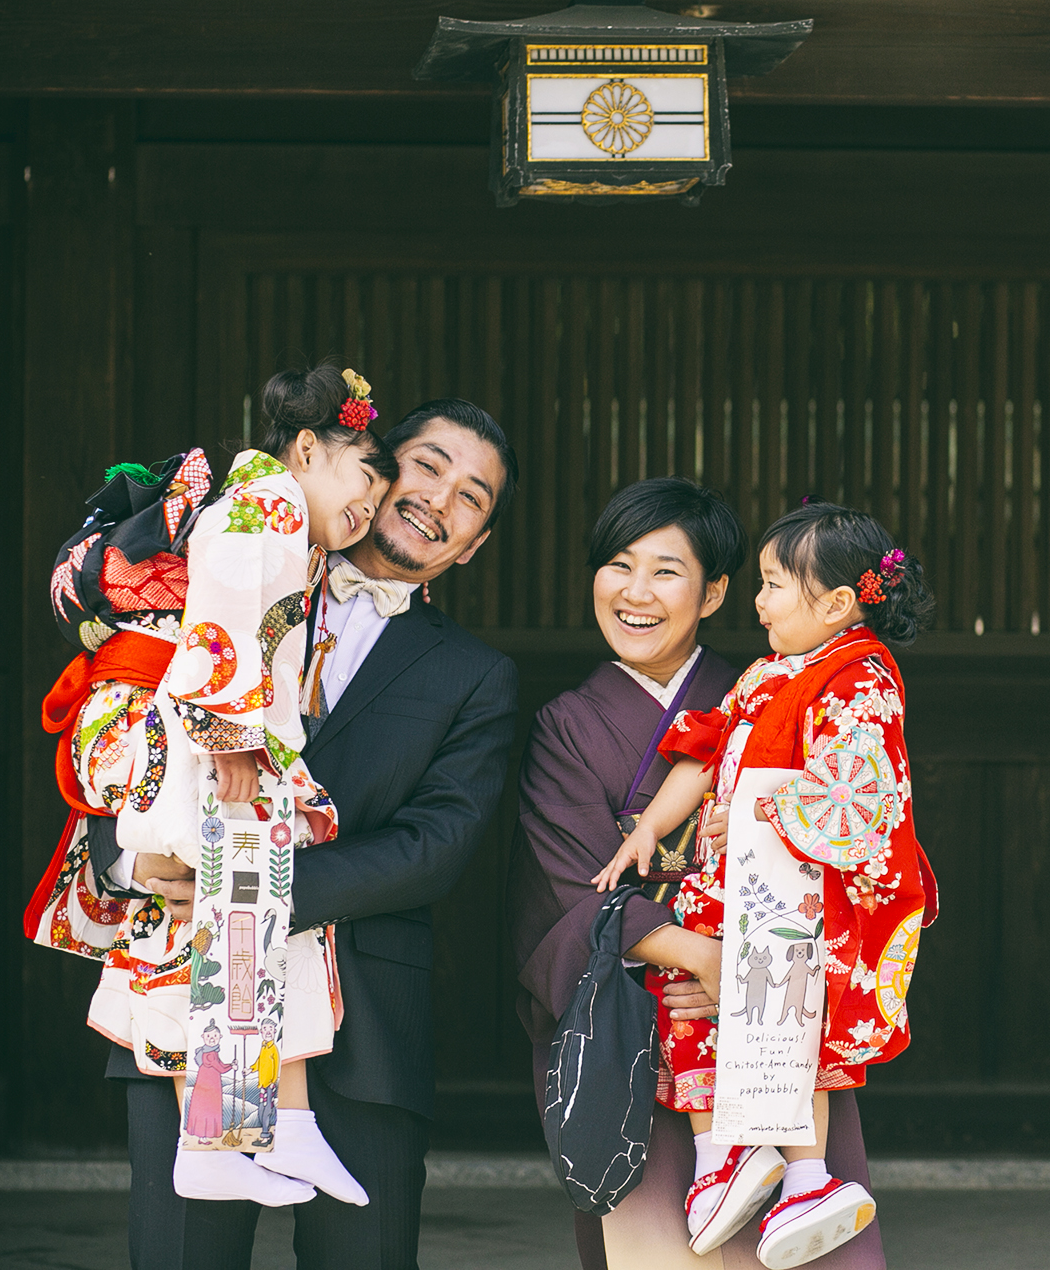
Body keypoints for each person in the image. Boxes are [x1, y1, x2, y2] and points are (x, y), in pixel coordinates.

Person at [89, 397, 521, 1270]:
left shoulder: (478, 675)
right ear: (373, 465)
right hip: (190, 989)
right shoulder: (225, 564)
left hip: (367, 1027)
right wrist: (138, 857)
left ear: (474, 544)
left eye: (471, 496)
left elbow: (436, 845)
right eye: (428, 465)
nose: (440, 496)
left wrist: (251, 883)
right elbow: (139, 717)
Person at [509, 478, 887, 1269]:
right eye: (618, 564)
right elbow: (571, 888)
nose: (635, 592)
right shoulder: (569, 726)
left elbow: (859, 832)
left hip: (776, 1016)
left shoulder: (778, 692)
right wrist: (704, 957)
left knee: (802, 1230)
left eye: (666, 570)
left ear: (718, 591)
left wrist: (755, 965)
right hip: (639, 1035)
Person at [52, 364, 391, 1208]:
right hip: (189, 730)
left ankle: (281, 1124)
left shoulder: (290, 519)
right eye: (365, 474)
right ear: (308, 447)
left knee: (255, 925)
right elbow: (227, 609)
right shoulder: (265, 493)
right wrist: (231, 736)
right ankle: (208, 1138)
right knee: (202, 926)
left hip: (207, 728)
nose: (371, 503)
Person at [595, 500, 938, 1269]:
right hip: (741, 886)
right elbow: (707, 748)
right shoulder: (767, 673)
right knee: (691, 1001)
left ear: (839, 603)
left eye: (775, 585)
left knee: (789, 1027)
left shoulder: (861, 678)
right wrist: (653, 825)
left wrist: (761, 806)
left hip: (807, 899)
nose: (758, 601)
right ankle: (724, 1158)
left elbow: (859, 794)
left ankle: (810, 1178)